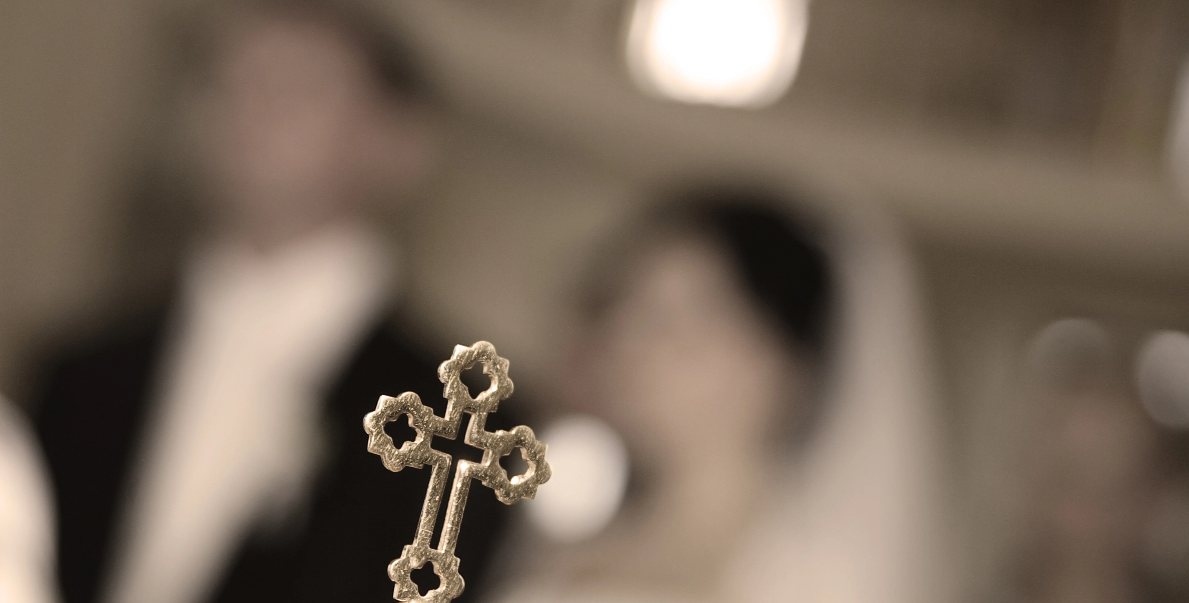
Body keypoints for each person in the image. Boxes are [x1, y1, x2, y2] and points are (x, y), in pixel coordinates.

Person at [31, 2, 511, 603]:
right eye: (227, 82)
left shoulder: (456, 417)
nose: (248, 110)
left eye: (296, 87)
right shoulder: (81, 371)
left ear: (395, 143)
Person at [493, 187, 835, 603]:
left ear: (779, 364)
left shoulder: (804, 575)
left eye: (677, 321)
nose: (629, 342)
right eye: (630, 307)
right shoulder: (577, 528)